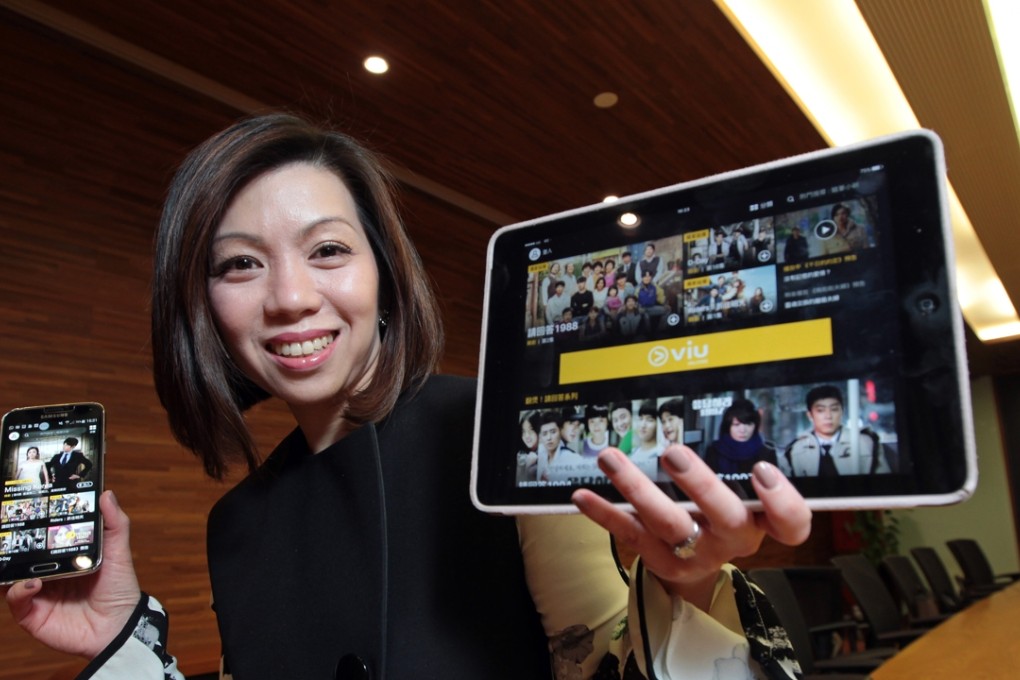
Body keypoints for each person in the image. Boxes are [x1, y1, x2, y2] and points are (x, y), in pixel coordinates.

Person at [5, 114, 811, 680]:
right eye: (239, 265)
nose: (289, 297)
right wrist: (119, 642)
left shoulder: (499, 437)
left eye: (326, 250)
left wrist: (686, 587)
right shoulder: (237, 524)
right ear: (203, 308)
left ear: (384, 276)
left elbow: (601, 663)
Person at [782, 385, 890, 477]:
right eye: (820, 410)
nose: (828, 416)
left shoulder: (866, 443)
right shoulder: (795, 449)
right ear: (810, 415)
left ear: (842, 411)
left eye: (834, 409)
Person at [703, 399, 779, 475]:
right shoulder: (714, 451)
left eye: (748, 424)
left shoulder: (767, 453)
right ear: (728, 427)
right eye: (736, 424)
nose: (742, 430)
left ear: (755, 426)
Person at [516, 410, 542, 483]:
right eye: (523, 431)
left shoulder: (546, 452)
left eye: (530, 430)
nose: (526, 436)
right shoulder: (519, 453)